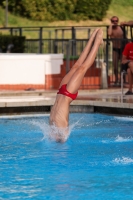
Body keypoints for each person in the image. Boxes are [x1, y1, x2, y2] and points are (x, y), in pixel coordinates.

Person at [49, 28, 103, 143]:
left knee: (77, 65)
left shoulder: (55, 133)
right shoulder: (61, 135)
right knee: (82, 68)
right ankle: (97, 43)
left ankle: (93, 37)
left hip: (60, 92)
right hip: (67, 94)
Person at [107, 16, 126, 85]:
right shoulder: (110, 29)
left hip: (122, 49)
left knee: (122, 65)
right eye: (113, 21)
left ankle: (122, 79)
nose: (115, 22)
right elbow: (109, 34)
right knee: (115, 66)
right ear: (111, 21)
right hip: (115, 49)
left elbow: (125, 36)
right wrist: (111, 26)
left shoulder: (121, 28)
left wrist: (124, 24)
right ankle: (116, 80)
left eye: (116, 21)